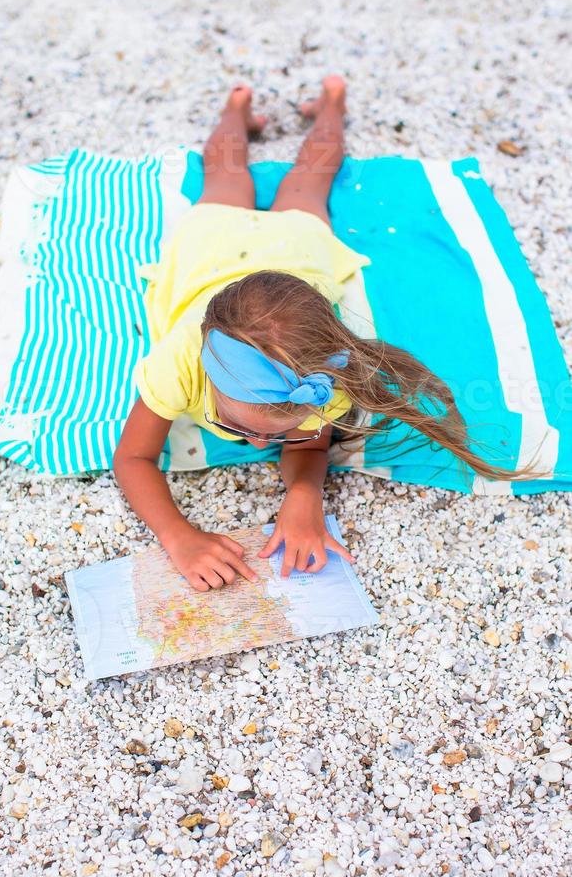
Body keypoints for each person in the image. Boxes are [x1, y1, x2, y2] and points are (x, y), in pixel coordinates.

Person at [113, 76, 528, 592]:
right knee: (223, 174)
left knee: (313, 176)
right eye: (248, 431)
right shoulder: (179, 360)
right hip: (212, 246)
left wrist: (305, 494)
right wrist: (178, 536)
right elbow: (132, 458)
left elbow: (308, 447)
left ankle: (332, 103)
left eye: (271, 432)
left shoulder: (322, 377)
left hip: (295, 249)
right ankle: (238, 108)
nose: (263, 443)